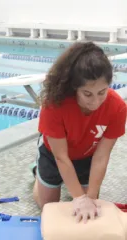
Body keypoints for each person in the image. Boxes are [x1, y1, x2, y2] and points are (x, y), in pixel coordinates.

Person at [32, 41, 126, 223]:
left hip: (87, 155)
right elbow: (61, 157)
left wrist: (89, 197)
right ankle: (38, 175)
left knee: (90, 208)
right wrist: (78, 198)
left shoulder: (117, 108)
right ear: (74, 87)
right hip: (54, 155)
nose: (96, 102)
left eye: (102, 92)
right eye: (87, 94)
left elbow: (102, 156)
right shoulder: (54, 105)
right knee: (48, 208)